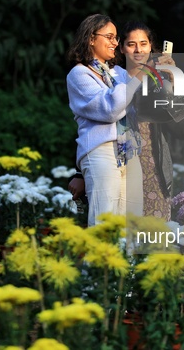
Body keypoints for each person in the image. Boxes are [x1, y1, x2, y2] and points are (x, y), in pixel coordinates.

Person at [69, 20, 184, 220]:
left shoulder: (120, 76)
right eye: (128, 43)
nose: (137, 50)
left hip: (139, 160)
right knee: (106, 223)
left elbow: (182, 126)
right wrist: (80, 173)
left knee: (132, 231)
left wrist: (170, 82)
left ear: (152, 47)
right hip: (110, 154)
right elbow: (98, 121)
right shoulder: (90, 74)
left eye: (144, 44)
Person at [66, 14, 144, 227]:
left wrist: (166, 76)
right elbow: (111, 110)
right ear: (91, 38)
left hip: (129, 152)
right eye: (109, 37)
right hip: (101, 151)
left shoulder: (118, 72)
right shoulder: (79, 75)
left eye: (116, 38)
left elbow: (149, 103)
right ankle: (100, 261)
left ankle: (127, 261)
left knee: (131, 223)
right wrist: (137, 77)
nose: (115, 43)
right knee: (104, 221)